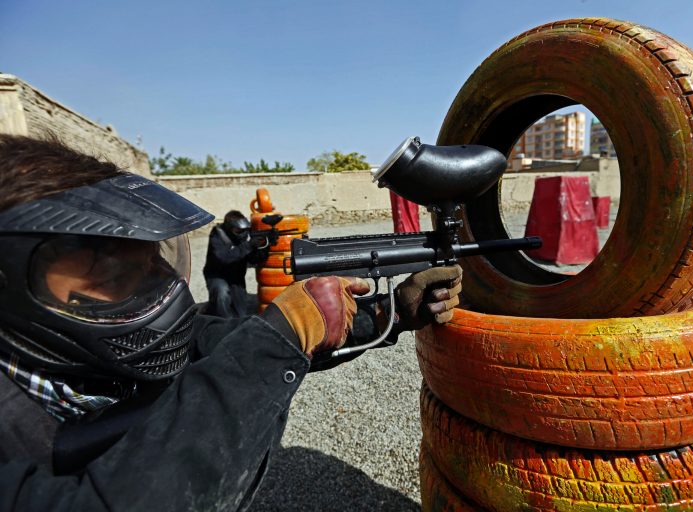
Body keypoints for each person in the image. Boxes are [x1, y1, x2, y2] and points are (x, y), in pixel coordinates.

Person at [0, 134, 462, 511]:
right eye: (113, 273)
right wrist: (284, 334)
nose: (162, 289)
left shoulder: (99, 352)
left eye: (155, 262)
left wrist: (388, 314)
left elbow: (231, 341)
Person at [203, 209, 263, 318]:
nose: (242, 234)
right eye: (238, 230)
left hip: (236, 278)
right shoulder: (217, 236)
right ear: (229, 229)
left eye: (244, 230)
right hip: (217, 275)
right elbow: (224, 257)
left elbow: (253, 261)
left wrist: (263, 247)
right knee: (222, 294)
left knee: (240, 313)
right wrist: (248, 246)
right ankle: (222, 324)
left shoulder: (246, 236)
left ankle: (213, 308)